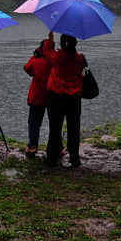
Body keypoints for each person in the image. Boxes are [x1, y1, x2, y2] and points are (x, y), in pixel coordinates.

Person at [41, 32, 85, 168]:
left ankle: (51, 159)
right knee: (73, 129)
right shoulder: (80, 58)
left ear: (61, 43)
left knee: (55, 128)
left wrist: (50, 40)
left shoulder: (57, 57)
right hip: (74, 99)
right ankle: (74, 159)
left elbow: (46, 51)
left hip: (58, 97)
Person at [23, 39, 52, 156]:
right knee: (55, 123)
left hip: (38, 97)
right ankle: (57, 147)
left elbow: (27, 68)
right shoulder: (56, 61)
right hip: (53, 97)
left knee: (34, 122)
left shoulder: (37, 62)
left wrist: (34, 56)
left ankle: (33, 146)